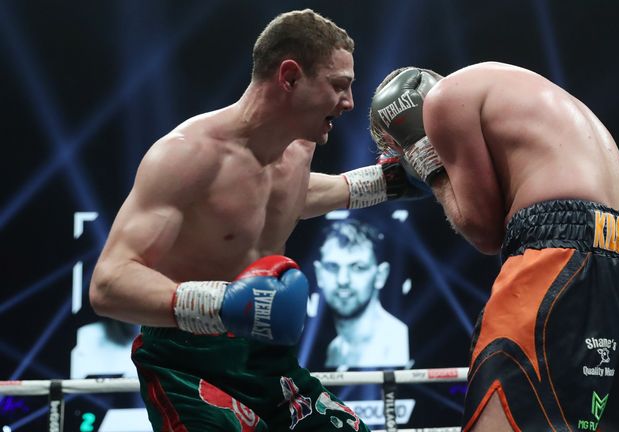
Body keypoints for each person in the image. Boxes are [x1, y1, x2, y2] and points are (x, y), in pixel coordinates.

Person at [89, 9, 423, 431]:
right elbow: (108, 284)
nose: (350, 102)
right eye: (339, 86)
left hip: (268, 361)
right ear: (289, 77)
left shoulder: (299, 148)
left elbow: (288, 198)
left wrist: (387, 181)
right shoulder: (186, 155)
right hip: (187, 365)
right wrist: (223, 305)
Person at [369, 63, 619, 431]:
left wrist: (427, 160)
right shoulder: (517, 90)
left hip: (559, 257)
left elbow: (483, 230)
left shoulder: (443, 102)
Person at [314, 219, 409, 369]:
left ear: (380, 275)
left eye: (358, 267)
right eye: (332, 267)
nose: (342, 280)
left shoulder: (397, 339)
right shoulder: (334, 349)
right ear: (319, 274)